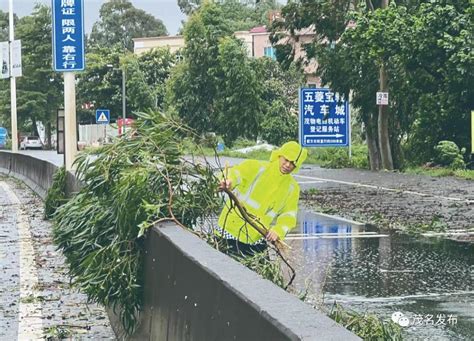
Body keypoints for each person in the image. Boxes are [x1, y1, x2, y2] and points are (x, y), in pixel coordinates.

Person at [217, 141, 308, 256]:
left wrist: (278, 231)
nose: (288, 165)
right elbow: (235, 173)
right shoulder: (257, 168)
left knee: (258, 273)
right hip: (230, 231)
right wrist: (228, 181)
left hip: (256, 237)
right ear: (279, 155)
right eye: (286, 160)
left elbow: (288, 216)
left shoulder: (292, 188)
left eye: (293, 163)